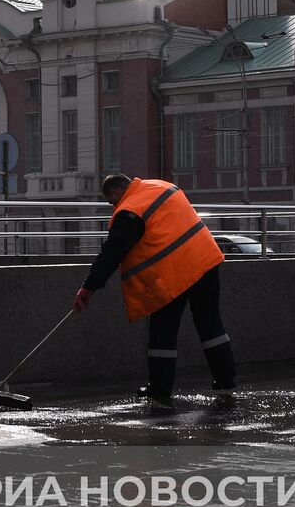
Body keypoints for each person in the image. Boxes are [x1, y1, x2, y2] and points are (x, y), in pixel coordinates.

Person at [71, 173, 234, 405]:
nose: (113, 207)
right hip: (206, 260)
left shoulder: (130, 209)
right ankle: (226, 381)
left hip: (173, 271)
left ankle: (160, 388)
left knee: (163, 331)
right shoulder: (162, 186)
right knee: (210, 322)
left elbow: (112, 252)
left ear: (116, 193)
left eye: (111, 202)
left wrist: (88, 287)